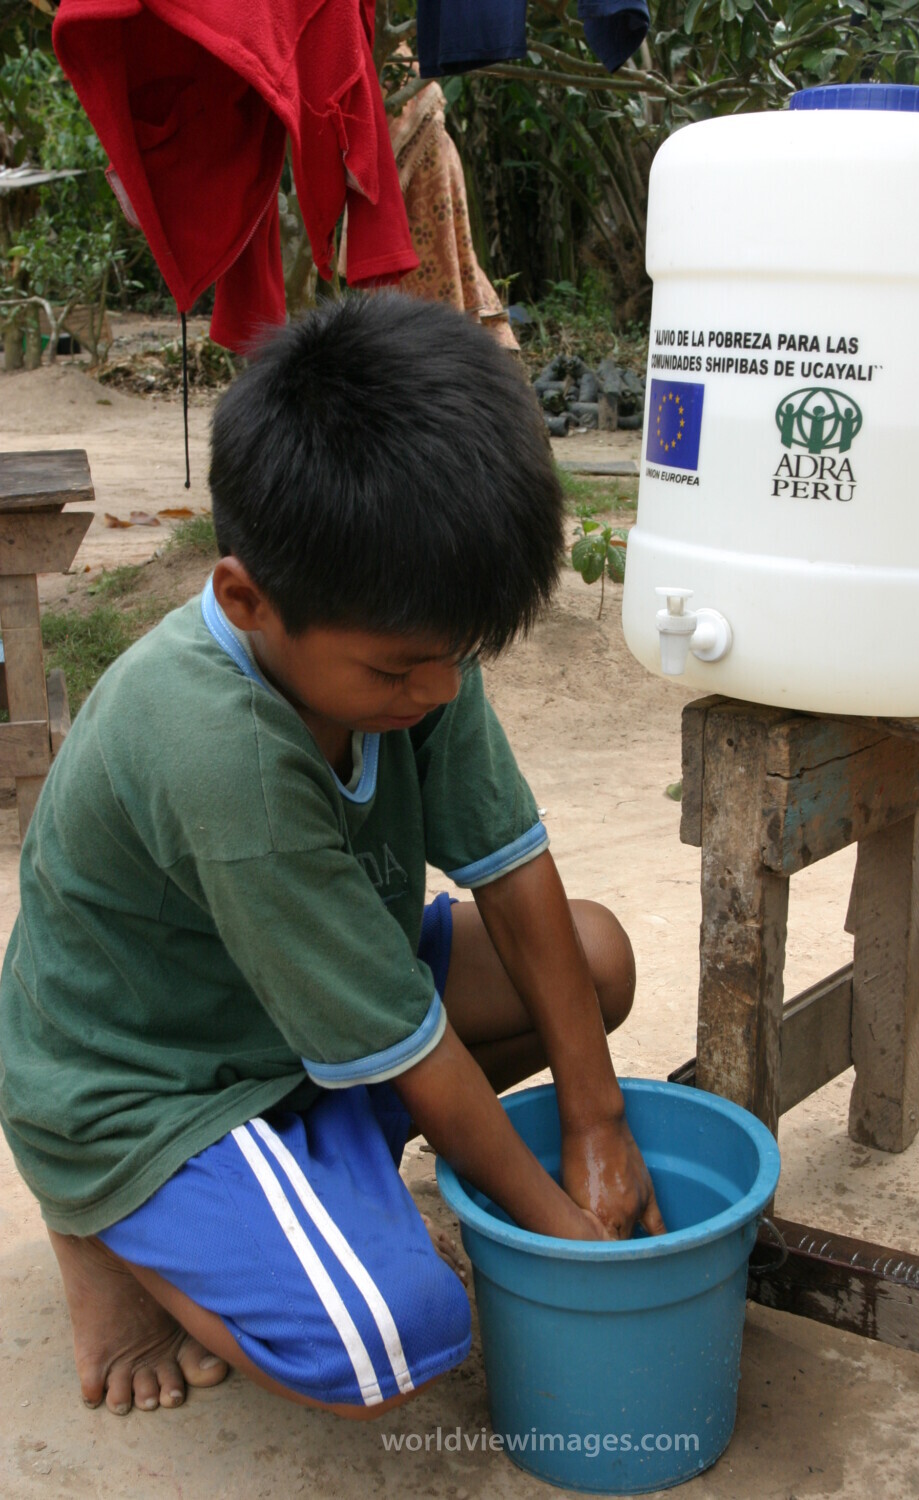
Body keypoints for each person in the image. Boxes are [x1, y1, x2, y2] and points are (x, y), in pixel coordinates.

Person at [0, 294, 664, 1423]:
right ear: (247, 600)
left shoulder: (407, 634)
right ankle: (109, 1222)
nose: (440, 693)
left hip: (300, 1009)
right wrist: (574, 1256)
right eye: (403, 672)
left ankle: (310, 1175)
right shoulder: (224, 755)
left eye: (456, 659)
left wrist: (596, 1124)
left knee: (591, 964)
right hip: (150, 1082)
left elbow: (508, 864)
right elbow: (401, 1032)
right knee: (392, 1345)